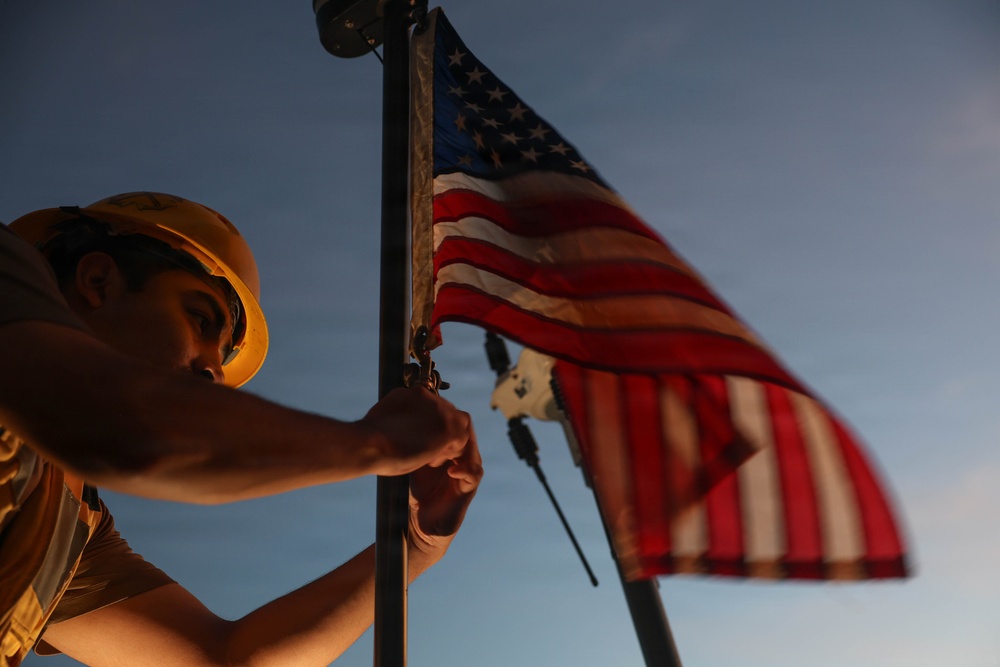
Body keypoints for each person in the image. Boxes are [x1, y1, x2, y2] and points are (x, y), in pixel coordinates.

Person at [0, 191, 482, 666]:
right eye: (199, 318)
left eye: (223, 355)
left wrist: (413, 546)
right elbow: (137, 434)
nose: (213, 373)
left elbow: (223, 661)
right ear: (98, 280)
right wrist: (377, 444)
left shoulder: (65, 527)